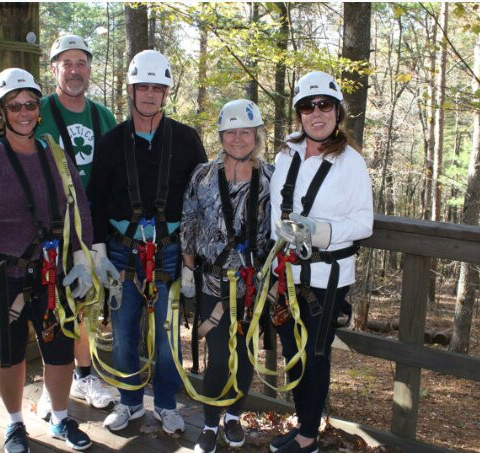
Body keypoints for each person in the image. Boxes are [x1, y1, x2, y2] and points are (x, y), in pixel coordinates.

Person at [0, 67, 94, 453]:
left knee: (60, 350)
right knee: (10, 354)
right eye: (14, 106)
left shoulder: (56, 156)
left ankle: (61, 418)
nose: (24, 112)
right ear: (2, 111)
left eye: (30, 104)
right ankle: (15, 424)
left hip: (53, 271)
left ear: (38, 108)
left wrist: (82, 259)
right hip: (7, 276)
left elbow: (78, 206)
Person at [89, 49, 207, 435]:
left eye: (158, 87)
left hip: (170, 250)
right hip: (123, 250)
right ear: (131, 89)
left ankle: (168, 403)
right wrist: (98, 249)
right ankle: (130, 402)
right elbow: (96, 199)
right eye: (144, 87)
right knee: (123, 332)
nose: (150, 94)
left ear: (167, 93)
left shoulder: (187, 141)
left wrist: (192, 260)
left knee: (168, 336)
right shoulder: (111, 143)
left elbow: (200, 200)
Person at [267, 71, 373, 453]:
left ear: (337, 111)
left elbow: (363, 223)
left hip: (327, 276)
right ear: (299, 114)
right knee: (291, 350)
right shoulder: (286, 154)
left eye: (324, 105)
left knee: (314, 353)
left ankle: (309, 436)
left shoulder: (350, 163)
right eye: (308, 106)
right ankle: (302, 425)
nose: (316, 113)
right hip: (287, 271)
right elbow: (277, 211)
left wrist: (318, 230)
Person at [181, 100, 273, 453]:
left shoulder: (270, 177)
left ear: (256, 136)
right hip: (213, 280)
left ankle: (233, 415)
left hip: (252, 284)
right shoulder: (203, 175)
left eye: (245, 132)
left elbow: (278, 225)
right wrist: (189, 266)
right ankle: (209, 423)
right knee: (219, 355)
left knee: (245, 352)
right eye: (231, 132)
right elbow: (189, 217)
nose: (238, 139)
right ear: (221, 135)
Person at [35, 33, 116, 418]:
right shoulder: (39, 112)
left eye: (80, 62)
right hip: (50, 226)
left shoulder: (103, 117)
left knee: (84, 305)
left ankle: (83, 375)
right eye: (66, 63)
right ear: (54, 69)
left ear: (89, 68)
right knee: (50, 302)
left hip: (92, 228)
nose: (74, 70)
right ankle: (54, 382)